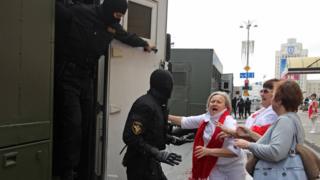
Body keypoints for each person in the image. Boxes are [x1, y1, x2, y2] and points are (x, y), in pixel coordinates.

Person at [53, 0, 155, 180]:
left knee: (86, 124)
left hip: (86, 79)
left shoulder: (112, 26)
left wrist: (143, 44)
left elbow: (127, 36)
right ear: (109, 9)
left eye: (121, 16)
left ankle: (80, 169)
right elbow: (57, 10)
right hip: (68, 76)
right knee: (73, 125)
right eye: (117, 15)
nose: (119, 19)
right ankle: (66, 172)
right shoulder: (80, 12)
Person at [122, 69, 192, 180]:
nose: (171, 88)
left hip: (150, 162)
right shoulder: (145, 105)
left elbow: (152, 132)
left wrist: (173, 139)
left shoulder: (157, 105)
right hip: (139, 165)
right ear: (163, 85)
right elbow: (130, 136)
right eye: (169, 84)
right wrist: (156, 153)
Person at [234, 80, 307, 180]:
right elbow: (274, 144)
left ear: (279, 100)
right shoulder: (291, 118)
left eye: (273, 96)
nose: (271, 99)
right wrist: (250, 133)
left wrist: (247, 145)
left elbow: (276, 152)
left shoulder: (285, 121)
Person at [169, 91, 245, 180]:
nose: (214, 104)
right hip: (214, 165)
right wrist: (165, 115)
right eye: (212, 101)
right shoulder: (206, 117)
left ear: (226, 107)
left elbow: (234, 152)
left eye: (219, 102)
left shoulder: (229, 122)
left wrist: (208, 151)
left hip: (233, 167)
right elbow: (184, 121)